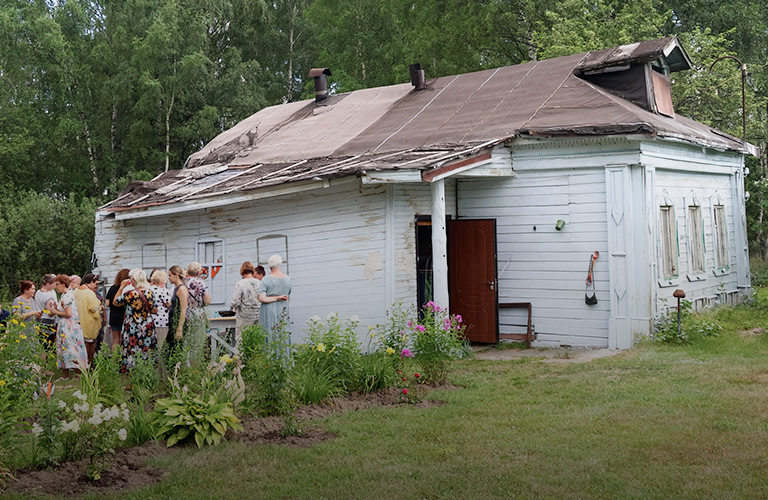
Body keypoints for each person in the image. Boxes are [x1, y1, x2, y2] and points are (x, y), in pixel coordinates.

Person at [112, 269, 157, 373]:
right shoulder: (150, 293)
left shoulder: (130, 294)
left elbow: (115, 302)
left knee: (131, 350)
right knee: (146, 349)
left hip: (132, 325)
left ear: (135, 280)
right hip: (147, 325)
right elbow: (155, 310)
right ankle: (146, 374)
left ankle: (130, 379)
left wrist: (122, 287)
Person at [49, 274, 88, 380]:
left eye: (57, 284)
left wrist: (55, 311)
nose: (56, 287)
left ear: (63, 284)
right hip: (64, 327)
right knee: (63, 349)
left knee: (72, 349)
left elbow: (68, 313)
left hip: (70, 328)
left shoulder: (68, 296)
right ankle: (65, 374)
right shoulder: (64, 295)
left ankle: (79, 372)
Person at [230, 261, 264, 351]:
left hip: (244, 316)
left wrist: (234, 308)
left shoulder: (240, 284)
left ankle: (239, 364)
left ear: (242, 271)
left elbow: (234, 302)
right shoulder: (259, 283)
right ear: (252, 270)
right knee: (257, 341)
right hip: (258, 315)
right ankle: (256, 363)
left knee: (241, 341)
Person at [258, 255, 292, 341]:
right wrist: (279, 297)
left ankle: (269, 354)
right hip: (283, 310)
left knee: (269, 333)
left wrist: (276, 298)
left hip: (269, 311)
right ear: (280, 264)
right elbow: (288, 293)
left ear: (270, 267)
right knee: (283, 334)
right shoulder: (288, 279)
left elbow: (262, 298)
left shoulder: (266, 279)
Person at [184, 262, 211, 365]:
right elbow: (207, 301)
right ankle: (195, 367)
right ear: (199, 272)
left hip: (184, 313)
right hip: (197, 314)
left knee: (185, 342)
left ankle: (184, 366)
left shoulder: (182, 282)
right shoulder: (200, 283)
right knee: (197, 343)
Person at [73, 274, 103, 366]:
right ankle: (88, 364)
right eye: (95, 284)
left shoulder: (76, 291)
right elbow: (94, 309)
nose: (96, 286)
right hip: (88, 324)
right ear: (91, 282)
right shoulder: (89, 293)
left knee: (80, 345)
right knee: (89, 345)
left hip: (78, 323)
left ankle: (80, 365)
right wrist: (100, 307)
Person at [164, 265, 188, 361]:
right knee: (169, 350)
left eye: (170, 275)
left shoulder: (181, 289)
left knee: (173, 351)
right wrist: (171, 305)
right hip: (172, 320)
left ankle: (175, 373)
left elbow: (183, 309)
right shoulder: (175, 288)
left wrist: (180, 329)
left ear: (176, 275)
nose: (168, 278)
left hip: (177, 322)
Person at [106, 269, 130, 351]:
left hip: (114, 315)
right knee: (123, 340)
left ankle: (114, 360)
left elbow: (107, 304)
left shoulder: (112, 288)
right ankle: (121, 360)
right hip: (123, 315)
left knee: (115, 340)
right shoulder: (127, 289)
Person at [33, 274, 58, 348]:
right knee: (47, 346)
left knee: (42, 344)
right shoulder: (48, 296)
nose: (55, 286)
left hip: (39, 321)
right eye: (53, 284)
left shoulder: (38, 292)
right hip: (48, 323)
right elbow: (50, 313)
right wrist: (57, 310)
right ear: (48, 284)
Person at [149, 270, 171, 351]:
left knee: (151, 346)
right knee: (161, 346)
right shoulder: (163, 291)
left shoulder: (148, 289)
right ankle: (160, 363)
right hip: (162, 321)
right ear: (162, 281)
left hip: (150, 321)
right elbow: (169, 304)